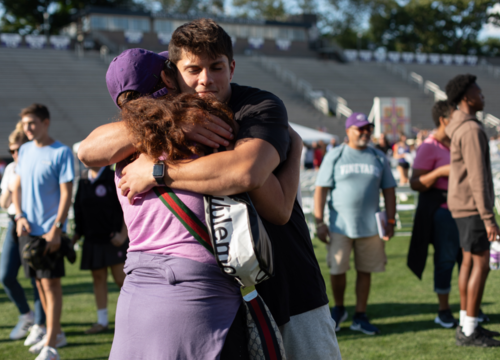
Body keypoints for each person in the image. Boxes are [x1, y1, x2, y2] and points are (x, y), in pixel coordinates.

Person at [79, 20, 341, 360]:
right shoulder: (160, 129)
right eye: (194, 70)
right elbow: (87, 151)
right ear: (171, 77)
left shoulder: (257, 106)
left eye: (216, 67)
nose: (205, 80)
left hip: (288, 282)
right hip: (222, 297)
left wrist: (158, 172)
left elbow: (250, 176)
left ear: (231, 67)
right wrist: (172, 119)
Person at [314, 112, 397, 335]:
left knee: (365, 270)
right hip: (340, 226)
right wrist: (319, 221)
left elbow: (389, 190)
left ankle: (361, 315)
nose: (365, 132)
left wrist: (391, 219)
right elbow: (321, 189)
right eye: (360, 128)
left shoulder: (378, 156)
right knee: (337, 268)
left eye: (368, 128)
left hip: (371, 226)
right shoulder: (336, 155)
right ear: (348, 131)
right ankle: (339, 308)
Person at [12, 104, 74, 360]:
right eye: (25, 124)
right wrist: (19, 215)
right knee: (39, 283)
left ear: (45, 122)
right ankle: (55, 333)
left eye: (32, 123)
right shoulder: (24, 150)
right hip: (28, 229)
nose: (27, 128)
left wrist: (57, 228)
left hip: (50, 232)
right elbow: (17, 186)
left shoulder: (62, 152)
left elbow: (66, 192)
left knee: (51, 285)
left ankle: (51, 345)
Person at [444, 74, 500, 347]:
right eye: (478, 91)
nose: (483, 95)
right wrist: (489, 219)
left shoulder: (460, 127)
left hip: (462, 206)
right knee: (480, 264)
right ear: (466, 97)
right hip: (472, 207)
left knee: (469, 262)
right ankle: (470, 330)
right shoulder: (471, 129)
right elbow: (478, 177)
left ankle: (468, 325)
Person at [408, 100, 462, 328]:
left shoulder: (458, 142)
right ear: (443, 120)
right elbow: (415, 183)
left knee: (468, 260)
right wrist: (440, 171)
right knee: (446, 260)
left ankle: (471, 308)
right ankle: (444, 310)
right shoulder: (429, 146)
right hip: (443, 212)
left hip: (464, 211)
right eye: (456, 116)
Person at [0, 122, 46, 344]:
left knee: (36, 278)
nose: (15, 154)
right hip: (13, 223)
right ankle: (26, 315)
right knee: (6, 276)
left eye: (18, 149)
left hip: (33, 226)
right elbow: (3, 203)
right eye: (11, 150)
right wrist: (12, 185)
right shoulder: (10, 169)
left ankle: (41, 324)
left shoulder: (36, 166)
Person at [72, 165, 128, 335]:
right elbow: (78, 210)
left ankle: (134, 320)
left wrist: (123, 234)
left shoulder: (114, 176)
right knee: (98, 279)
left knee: (122, 280)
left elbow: (128, 206)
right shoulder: (82, 180)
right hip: (92, 239)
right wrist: (75, 236)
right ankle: (102, 322)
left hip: (115, 240)